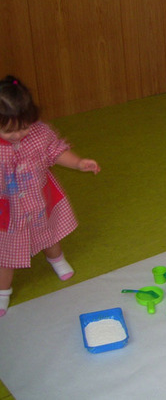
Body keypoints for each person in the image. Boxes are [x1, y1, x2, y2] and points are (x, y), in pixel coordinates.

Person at [0, 76, 100, 317]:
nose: (17, 135)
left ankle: (57, 260)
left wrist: (78, 163)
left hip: (38, 199)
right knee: (6, 255)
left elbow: (55, 151)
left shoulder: (39, 133)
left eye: (23, 127)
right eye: (8, 130)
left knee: (49, 234)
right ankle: (3, 292)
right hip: (9, 209)